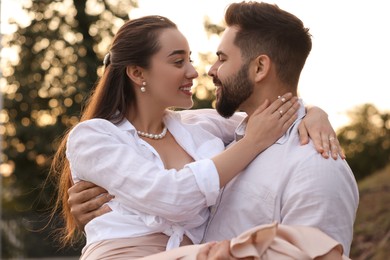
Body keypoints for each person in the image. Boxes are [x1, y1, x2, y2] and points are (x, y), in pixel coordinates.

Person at [66, 1, 359, 259]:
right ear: (137, 73)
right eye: (179, 61)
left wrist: (314, 113)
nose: (201, 71)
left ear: (259, 68)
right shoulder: (97, 136)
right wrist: (254, 142)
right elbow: (168, 194)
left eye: (221, 58)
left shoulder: (313, 165)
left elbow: (319, 251)